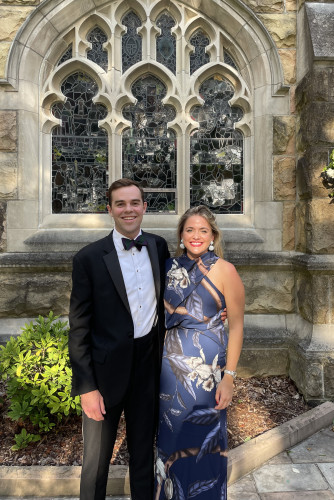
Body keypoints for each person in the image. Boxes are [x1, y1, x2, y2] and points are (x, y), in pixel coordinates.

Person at [68, 178, 170, 500]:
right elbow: (79, 328)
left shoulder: (159, 246)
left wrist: (213, 313)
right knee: (96, 464)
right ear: (109, 209)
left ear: (144, 207)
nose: (129, 210)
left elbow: (177, 296)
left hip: (146, 368)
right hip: (104, 374)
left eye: (135, 203)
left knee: (143, 456)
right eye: (121, 204)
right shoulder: (88, 258)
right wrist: (86, 387)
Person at [155, 205, 245, 500]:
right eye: (190, 230)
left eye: (203, 230)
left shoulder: (225, 270)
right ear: (181, 235)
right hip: (171, 372)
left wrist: (229, 378)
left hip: (207, 373)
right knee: (171, 441)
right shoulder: (167, 269)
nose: (196, 236)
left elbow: (237, 327)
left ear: (213, 236)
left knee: (203, 443)